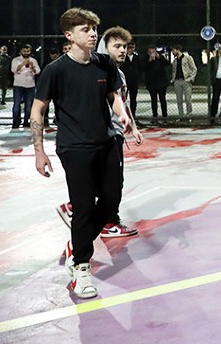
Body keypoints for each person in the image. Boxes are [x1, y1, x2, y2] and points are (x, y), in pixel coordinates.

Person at [30, 7, 130, 299]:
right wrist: (39, 151)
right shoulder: (55, 70)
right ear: (69, 35)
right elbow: (38, 110)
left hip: (106, 142)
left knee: (111, 199)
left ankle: (79, 238)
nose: (92, 34)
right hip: (74, 148)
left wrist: (122, 115)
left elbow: (113, 96)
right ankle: (81, 267)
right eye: (85, 29)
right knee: (84, 206)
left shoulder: (104, 64)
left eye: (94, 29)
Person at [56, 25, 145, 238]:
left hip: (115, 133)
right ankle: (101, 219)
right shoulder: (98, 71)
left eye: (125, 46)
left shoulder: (118, 73)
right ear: (105, 48)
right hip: (104, 135)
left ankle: (79, 208)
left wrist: (133, 127)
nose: (123, 50)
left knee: (108, 180)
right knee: (112, 183)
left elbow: (124, 103)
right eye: (117, 46)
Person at [11, 44, 40, 128]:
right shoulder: (15, 60)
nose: (26, 53)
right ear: (20, 52)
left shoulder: (33, 60)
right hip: (18, 84)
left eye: (28, 51)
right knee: (17, 104)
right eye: (24, 51)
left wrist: (33, 67)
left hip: (30, 85)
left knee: (28, 105)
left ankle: (26, 122)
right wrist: (23, 64)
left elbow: (38, 71)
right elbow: (13, 70)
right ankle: (15, 122)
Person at [141, 44, 170, 118]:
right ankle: (155, 116)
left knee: (162, 99)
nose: (152, 53)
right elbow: (142, 68)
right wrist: (149, 61)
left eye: (154, 51)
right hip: (151, 82)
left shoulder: (160, 56)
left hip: (161, 82)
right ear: (148, 52)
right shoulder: (145, 58)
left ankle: (165, 116)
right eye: (151, 52)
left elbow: (167, 63)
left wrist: (159, 57)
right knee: (153, 100)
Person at [170, 44, 197, 117]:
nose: (172, 52)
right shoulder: (175, 61)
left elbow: (194, 68)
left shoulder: (188, 58)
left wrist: (191, 78)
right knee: (179, 100)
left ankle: (189, 114)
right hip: (177, 81)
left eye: (173, 50)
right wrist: (173, 80)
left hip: (186, 80)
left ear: (178, 49)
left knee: (188, 99)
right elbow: (174, 71)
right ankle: (181, 115)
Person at [122, 41, 140, 117]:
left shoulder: (137, 58)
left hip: (134, 81)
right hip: (125, 81)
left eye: (133, 48)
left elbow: (140, 68)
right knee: (123, 99)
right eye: (130, 48)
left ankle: (133, 115)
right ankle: (123, 114)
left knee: (133, 99)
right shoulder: (123, 57)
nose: (131, 49)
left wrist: (137, 75)